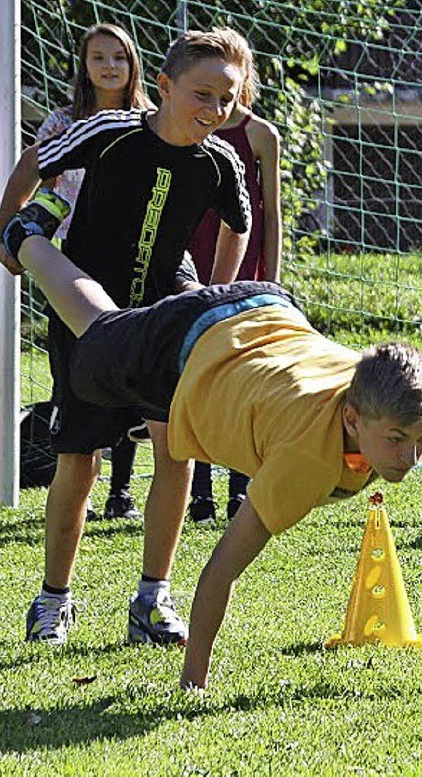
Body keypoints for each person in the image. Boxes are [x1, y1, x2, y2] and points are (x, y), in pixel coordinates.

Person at [2, 201, 422, 691]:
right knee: (97, 325)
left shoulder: (420, 415)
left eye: (418, 441)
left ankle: (177, 267)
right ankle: (28, 238)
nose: (411, 457)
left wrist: (413, 435)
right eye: (396, 442)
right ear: (351, 418)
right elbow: (222, 569)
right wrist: (193, 683)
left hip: (262, 308)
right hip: (183, 351)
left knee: (157, 324)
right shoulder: (305, 457)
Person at [0, 28, 253, 647]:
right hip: (85, 312)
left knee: (175, 449)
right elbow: (36, 159)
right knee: (80, 456)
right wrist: (4, 231)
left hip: (164, 319)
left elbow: (238, 226)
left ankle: (152, 599)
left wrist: (212, 301)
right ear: (163, 87)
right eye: (201, 94)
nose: (213, 111)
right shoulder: (110, 134)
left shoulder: (222, 162)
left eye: (226, 100)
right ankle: (53, 600)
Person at [36, 23, 154, 522]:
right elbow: (42, 183)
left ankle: (121, 491)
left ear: (134, 66)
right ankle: (81, 474)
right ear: (83, 65)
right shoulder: (60, 124)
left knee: (130, 372)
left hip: (133, 263)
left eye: (119, 58)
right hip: (71, 266)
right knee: (77, 372)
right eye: (98, 57)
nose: (109, 67)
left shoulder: (151, 124)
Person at [186, 29, 282, 525]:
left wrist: (274, 279)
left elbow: (273, 216)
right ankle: (199, 490)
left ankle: (240, 488)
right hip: (192, 266)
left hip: (245, 270)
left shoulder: (261, 134)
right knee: (198, 375)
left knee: (244, 380)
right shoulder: (189, 127)